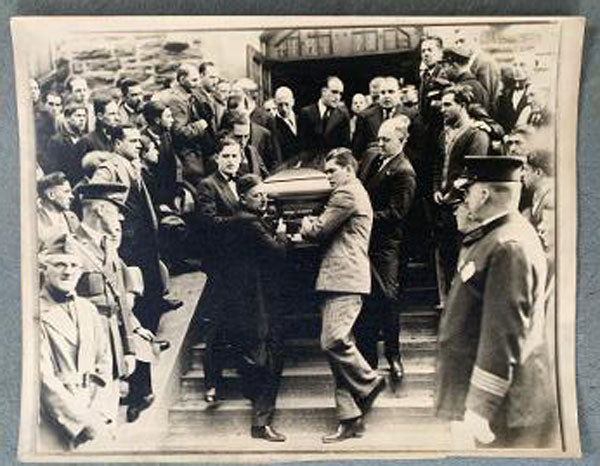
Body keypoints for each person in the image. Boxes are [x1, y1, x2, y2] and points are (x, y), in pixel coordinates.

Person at [435, 155, 557, 449]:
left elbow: (504, 334)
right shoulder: (496, 237)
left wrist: (479, 409)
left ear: (483, 193)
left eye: (467, 192)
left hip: (504, 410)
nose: (464, 200)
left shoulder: (508, 246)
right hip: (494, 405)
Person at [299, 147, 386, 443]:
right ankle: (349, 419)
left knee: (332, 340)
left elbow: (319, 230)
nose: (328, 177)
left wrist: (305, 224)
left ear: (348, 169)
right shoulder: (351, 191)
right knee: (339, 349)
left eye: (331, 171)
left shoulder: (347, 193)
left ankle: (370, 382)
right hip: (340, 278)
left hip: (344, 279)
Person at [72, 182, 168, 423]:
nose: (121, 218)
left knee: (108, 409)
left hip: (113, 342)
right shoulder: (69, 248)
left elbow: (117, 296)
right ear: (100, 210)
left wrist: (133, 333)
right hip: (87, 346)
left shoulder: (107, 247)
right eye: (117, 210)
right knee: (91, 412)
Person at [224, 174, 288, 441]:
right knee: (268, 356)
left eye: (264, 195)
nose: (263, 199)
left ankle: (257, 408)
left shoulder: (240, 219)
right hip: (255, 300)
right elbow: (276, 252)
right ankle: (260, 423)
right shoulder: (249, 222)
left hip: (246, 297)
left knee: (260, 353)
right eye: (257, 196)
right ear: (243, 198)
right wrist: (282, 235)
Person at [355, 116, 416, 389]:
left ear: (402, 141)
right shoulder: (372, 158)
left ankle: (393, 354)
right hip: (363, 242)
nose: (380, 144)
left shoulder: (404, 171)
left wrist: (362, 216)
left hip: (384, 245)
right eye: (379, 138)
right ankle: (368, 361)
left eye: (387, 140)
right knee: (365, 297)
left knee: (388, 297)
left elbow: (396, 213)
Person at [38, 233, 113, 450]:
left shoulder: (88, 310)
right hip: (55, 421)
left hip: (94, 414)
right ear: (44, 269)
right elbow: (42, 377)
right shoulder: (33, 312)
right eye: (60, 264)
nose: (68, 271)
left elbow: (104, 362)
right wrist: (80, 421)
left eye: (73, 265)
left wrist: (99, 412)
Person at [192, 133, 242, 404]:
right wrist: (243, 221)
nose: (231, 161)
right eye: (226, 156)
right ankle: (211, 382)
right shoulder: (207, 186)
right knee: (218, 325)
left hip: (243, 266)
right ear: (217, 158)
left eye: (235, 156)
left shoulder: (244, 184)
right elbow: (209, 222)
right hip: (222, 267)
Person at [433, 85, 490, 304]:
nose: (443, 109)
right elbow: (438, 164)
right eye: (442, 105)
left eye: (448, 105)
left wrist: (453, 193)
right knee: (446, 255)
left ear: (463, 105)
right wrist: (437, 189)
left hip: (466, 206)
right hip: (445, 206)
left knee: (465, 256)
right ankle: (448, 303)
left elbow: (473, 171)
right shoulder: (443, 134)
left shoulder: (477, 135)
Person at [155, 63, 213, 185]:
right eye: (194, 80)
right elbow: (179, 133)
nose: (198, 83)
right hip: (187, 158)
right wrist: (200, 125)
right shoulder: (177, 100)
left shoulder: (186, 94)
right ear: (182, 79)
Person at [297, 76, 351, 168]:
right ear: (323, 91)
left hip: (333, 166)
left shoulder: (342, 115)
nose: (337, 97)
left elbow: (345, 146)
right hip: (310, 166)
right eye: (334, 92)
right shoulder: (306, 113)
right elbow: (301, 145)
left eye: (340, 94)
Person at [352, 77, 406, 160]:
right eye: (383, 93)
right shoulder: (365, 117)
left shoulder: (411, 115)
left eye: (391, 92)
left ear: (399, 93)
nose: (386, 96)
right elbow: (357, 150)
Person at [43, 102, 89, 185]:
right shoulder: (56, 141)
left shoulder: (86, 140)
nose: (82, 119)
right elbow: (51, 169)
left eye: (84, 116)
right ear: (67, 118)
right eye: (78, 116)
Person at [442, 45, 490, 114]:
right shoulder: (478, 86)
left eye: (444, 66)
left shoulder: (461, 89)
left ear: (454, 66)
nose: (443, 71)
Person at [37, 172, 80, 248]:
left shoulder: (72, 218)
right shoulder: (34, 221)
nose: (72, 196)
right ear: (51, 195)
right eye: (66, 192)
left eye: (71, 192)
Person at [273, 86, 299, 167]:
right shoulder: (273, 125)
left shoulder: (303, 119)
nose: (284, 109)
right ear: (275, 103)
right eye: (280, 105)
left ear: (293, 102)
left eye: (287, 104)